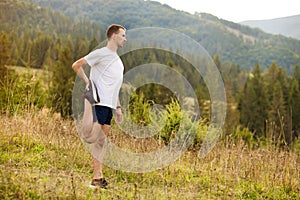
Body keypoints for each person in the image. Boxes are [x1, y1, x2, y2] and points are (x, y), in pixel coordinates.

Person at [72, 24, 126, 189]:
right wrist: (87, 81)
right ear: (114, 36)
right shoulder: (101, 54)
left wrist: (117, 108)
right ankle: (96, 178)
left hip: (109, 106)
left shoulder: (117, 60)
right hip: (99, 103)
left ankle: (98, 178)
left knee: (101, 142)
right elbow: (76, 65)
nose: (125, 39)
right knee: (96, 141)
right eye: (123, 35)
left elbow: (114, 86)